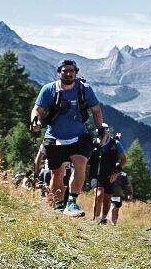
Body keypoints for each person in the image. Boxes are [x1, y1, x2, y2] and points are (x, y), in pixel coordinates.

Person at [30, 59, 104, 215]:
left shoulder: (84, 89)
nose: (68, 73)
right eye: (65, 71)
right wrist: (35, 121)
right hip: (55, 136)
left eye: (71, 71)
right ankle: (57, 206)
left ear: (76, 72)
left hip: (79, 135)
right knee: (57, 172)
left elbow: (96, 110)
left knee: (81, 162)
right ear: (59, 72)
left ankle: (71, 202)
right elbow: (37, 109)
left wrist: (100, 129)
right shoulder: (48, 89)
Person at [90, 125, 126, 220]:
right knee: (99, 195)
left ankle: (103, 219)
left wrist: (116, 172)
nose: (100, 137)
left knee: (107, 200)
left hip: (110, 175)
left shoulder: (116, 144)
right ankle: (96, 220)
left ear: (107, 133)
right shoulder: (93, 143)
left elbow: (123, 160)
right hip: (95, 174)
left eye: (102, 135)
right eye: (99, 135)